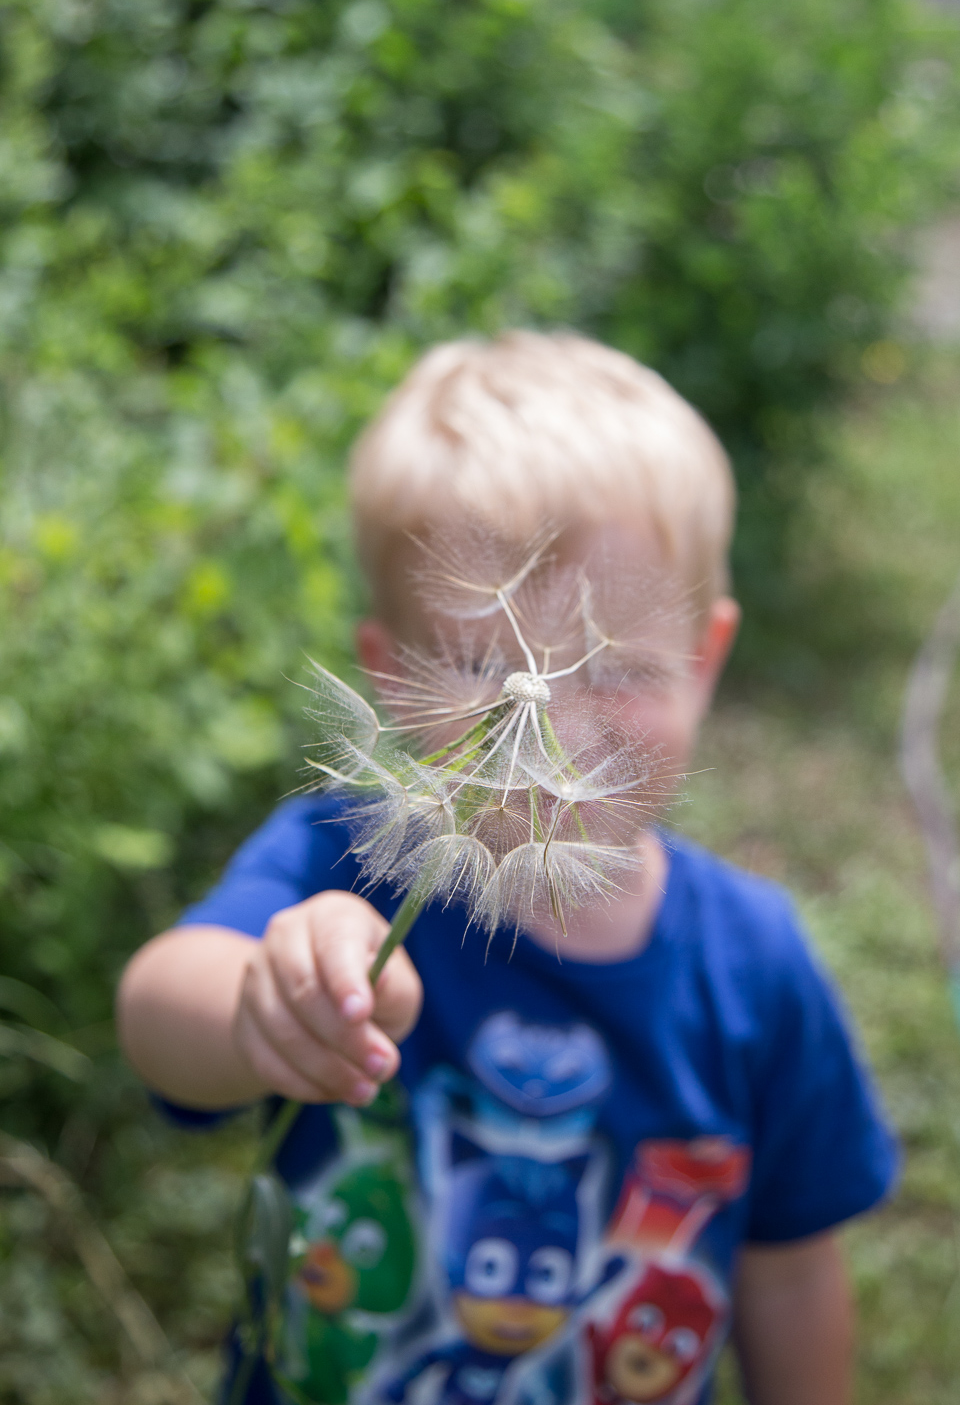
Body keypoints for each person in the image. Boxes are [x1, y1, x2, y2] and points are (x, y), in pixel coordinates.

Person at [117, 332, 897, 1405]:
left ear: (706, 660)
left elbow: (795, 1268)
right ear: (395, 677)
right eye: (486, 664)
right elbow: (160, 1017)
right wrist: (258, 1006)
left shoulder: (756, 968)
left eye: (616, 668)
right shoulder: (337, 864)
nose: (558, 722)